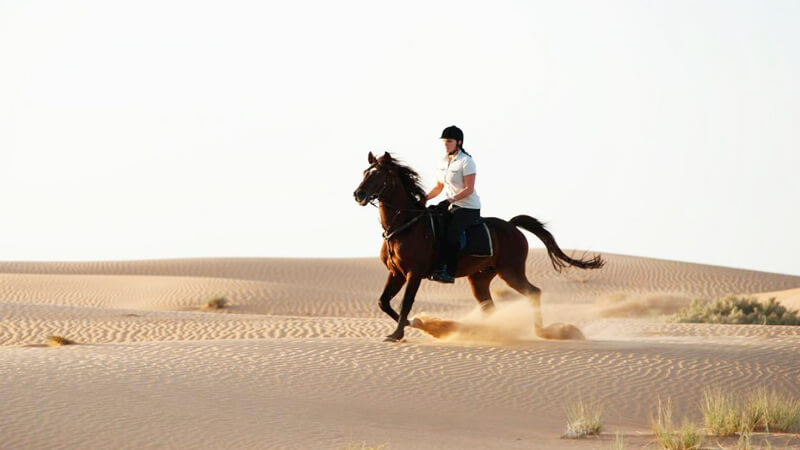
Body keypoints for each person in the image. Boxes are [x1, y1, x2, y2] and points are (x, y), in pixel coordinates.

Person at [425, 125, 481, 283]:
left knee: (451, 233)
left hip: (468, 207)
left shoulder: (466, 161)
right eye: (444, 141)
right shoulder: (442, 162)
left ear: (459, 142)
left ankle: (448, 272)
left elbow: (469, 189)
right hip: (450, 206)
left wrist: (450, 199)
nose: (446, 144)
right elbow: (438, 187)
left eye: (449, 141)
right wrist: (423, 199)